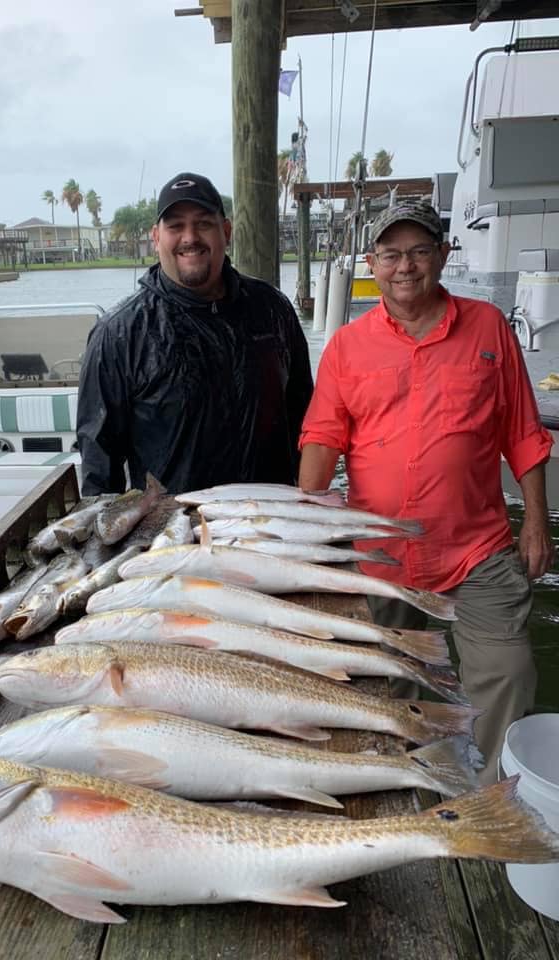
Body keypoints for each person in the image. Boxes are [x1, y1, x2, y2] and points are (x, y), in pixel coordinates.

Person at [298, 199, 554, 782]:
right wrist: (305, 536)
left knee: (508, 671)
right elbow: (322, 438)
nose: (405, 266)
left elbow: (522, 431)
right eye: (391, 254)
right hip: (379, 549)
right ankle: (394, 780)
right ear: (371, 263)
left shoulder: (488, 326)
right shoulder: (346, 346)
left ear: (442, 254)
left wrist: (536, 522)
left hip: (476, 546)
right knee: (371, 676)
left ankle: (492, 799)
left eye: (418, 251)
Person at [76, 171, 314, 495]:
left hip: (267, 527)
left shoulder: (273, 309)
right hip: (176, 535)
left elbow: (306, 418)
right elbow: (99, 465)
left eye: (203, 223)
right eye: (175, 226)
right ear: (156, 237)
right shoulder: (118, 334)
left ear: (226, 231)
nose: (190, 237)